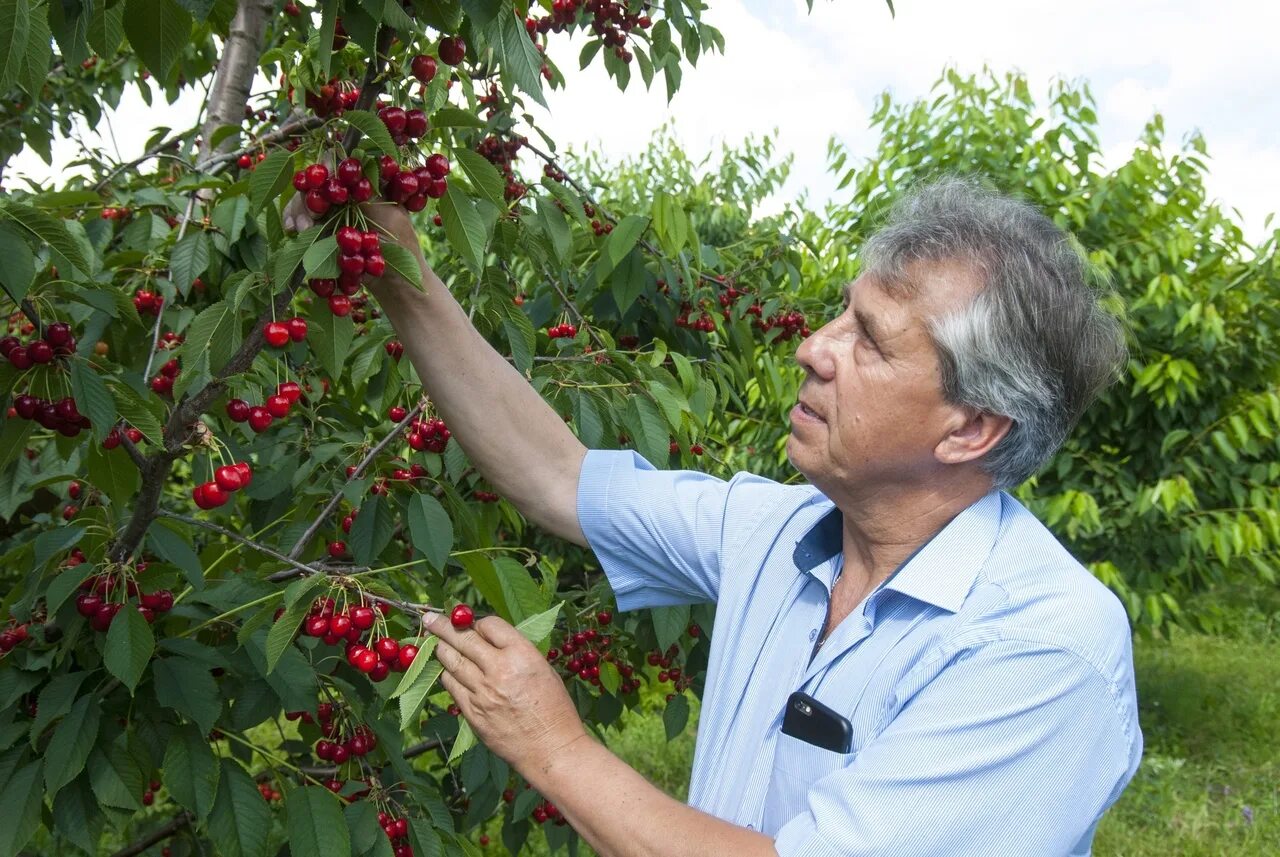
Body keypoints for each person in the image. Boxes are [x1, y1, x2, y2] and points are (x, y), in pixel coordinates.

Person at [294, 175, 1143, 856]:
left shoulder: (1043, 650)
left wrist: (555, 747)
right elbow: (557, 476)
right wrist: (395, 266)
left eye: (870, 341)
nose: (814, 346)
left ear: (971, 428)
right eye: (841, 312)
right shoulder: (778, 531)